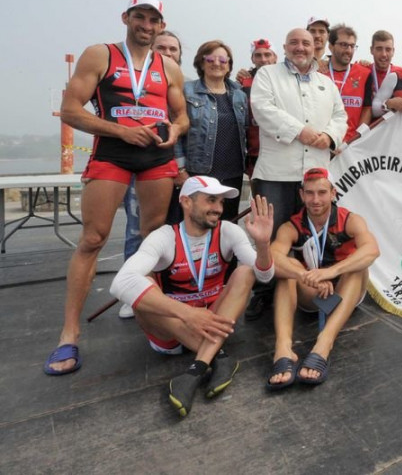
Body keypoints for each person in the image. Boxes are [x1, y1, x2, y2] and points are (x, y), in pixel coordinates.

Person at [45, 0, 187, 375]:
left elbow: (181, 116)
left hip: (157, 157)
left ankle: (153, 318)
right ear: (126, 17)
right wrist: (120, 133)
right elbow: (72, 110)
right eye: (139, 17)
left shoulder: (168, 66)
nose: (146, 24)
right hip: (112, 153)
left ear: (161, 24)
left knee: (153, 238)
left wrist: (175, 129)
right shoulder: (99, 54)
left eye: (153, 19)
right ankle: (69, 334)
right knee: (94, 239)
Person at [109, 176, 274, 417]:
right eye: (210, 200)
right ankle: (220, 357)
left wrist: (263, 244)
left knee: (245, 273)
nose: (218, 208)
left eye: (220, 201)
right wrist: (188, 314)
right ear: (186, 202)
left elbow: (265, 276)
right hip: (173, 330)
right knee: (142, 284)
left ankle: (196, 370)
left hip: (213, 322)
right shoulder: (164, 236)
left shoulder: (227, 230)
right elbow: (120, 284)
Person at [245, 28, 347, 320]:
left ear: (316, 46)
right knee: (269, 237)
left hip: (315, 175)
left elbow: (341, 116)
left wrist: (329, 136)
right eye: (294, 43)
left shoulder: (326, 83)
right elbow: (262, 109)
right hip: (276, 172)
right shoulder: (267, 75)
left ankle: (313, 289)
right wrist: (299, 131)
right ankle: (264, 294)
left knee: (312, 235)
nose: (300, 48)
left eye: (306, 43)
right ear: (285, 47)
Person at [267, 168, 380, 388]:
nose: (315, 199)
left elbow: (372, 250)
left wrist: (331, 272)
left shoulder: (350, 219)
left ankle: (323, 344)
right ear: (301, 195)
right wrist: (304, 274)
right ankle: (282, 348)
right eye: (309, 193)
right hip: (312, 291)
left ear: (333, 193)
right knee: (286, 268)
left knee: (357, 266)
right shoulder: (292, 225)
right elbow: (272, 257)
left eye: (321, 192)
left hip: (345, 290)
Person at [120, 30, 184, 319]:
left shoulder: (185, 87)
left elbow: (184, 128)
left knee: (170, 231)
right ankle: (132, 290)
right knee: (138, 229)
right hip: (142, 164)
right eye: (163, 48)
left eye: (173, 49)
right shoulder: (138, 84)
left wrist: (183, 166)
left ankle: (170, 286)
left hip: (178, 168)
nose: (168, 53)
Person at [174, 40, 248, 223]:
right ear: (201, 62)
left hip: (232, 174)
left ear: (229, 64)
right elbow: (175, 131)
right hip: (198, 173)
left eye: (223, 60)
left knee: (227, 225)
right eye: (210, 59)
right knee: (195, 224)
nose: (217, 63)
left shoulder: (240, 94)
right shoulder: (186, 91)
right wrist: (180, 168)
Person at [319, 24, 370, 142]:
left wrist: (357, 139)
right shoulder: (318, 72)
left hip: (350, 145)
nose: (348, 50)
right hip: (322, 142)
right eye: (343, 45)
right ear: (331, 46)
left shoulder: (364, 73)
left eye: (352, 46)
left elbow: (367, 108)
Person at [240, 38, 278, 179]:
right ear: (252, 59)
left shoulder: (287, 80)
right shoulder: (244, 83)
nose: (263, 59)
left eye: (267, 55)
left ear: (275, 57)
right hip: (255, 154)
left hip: (281, 153)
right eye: (258, 55)